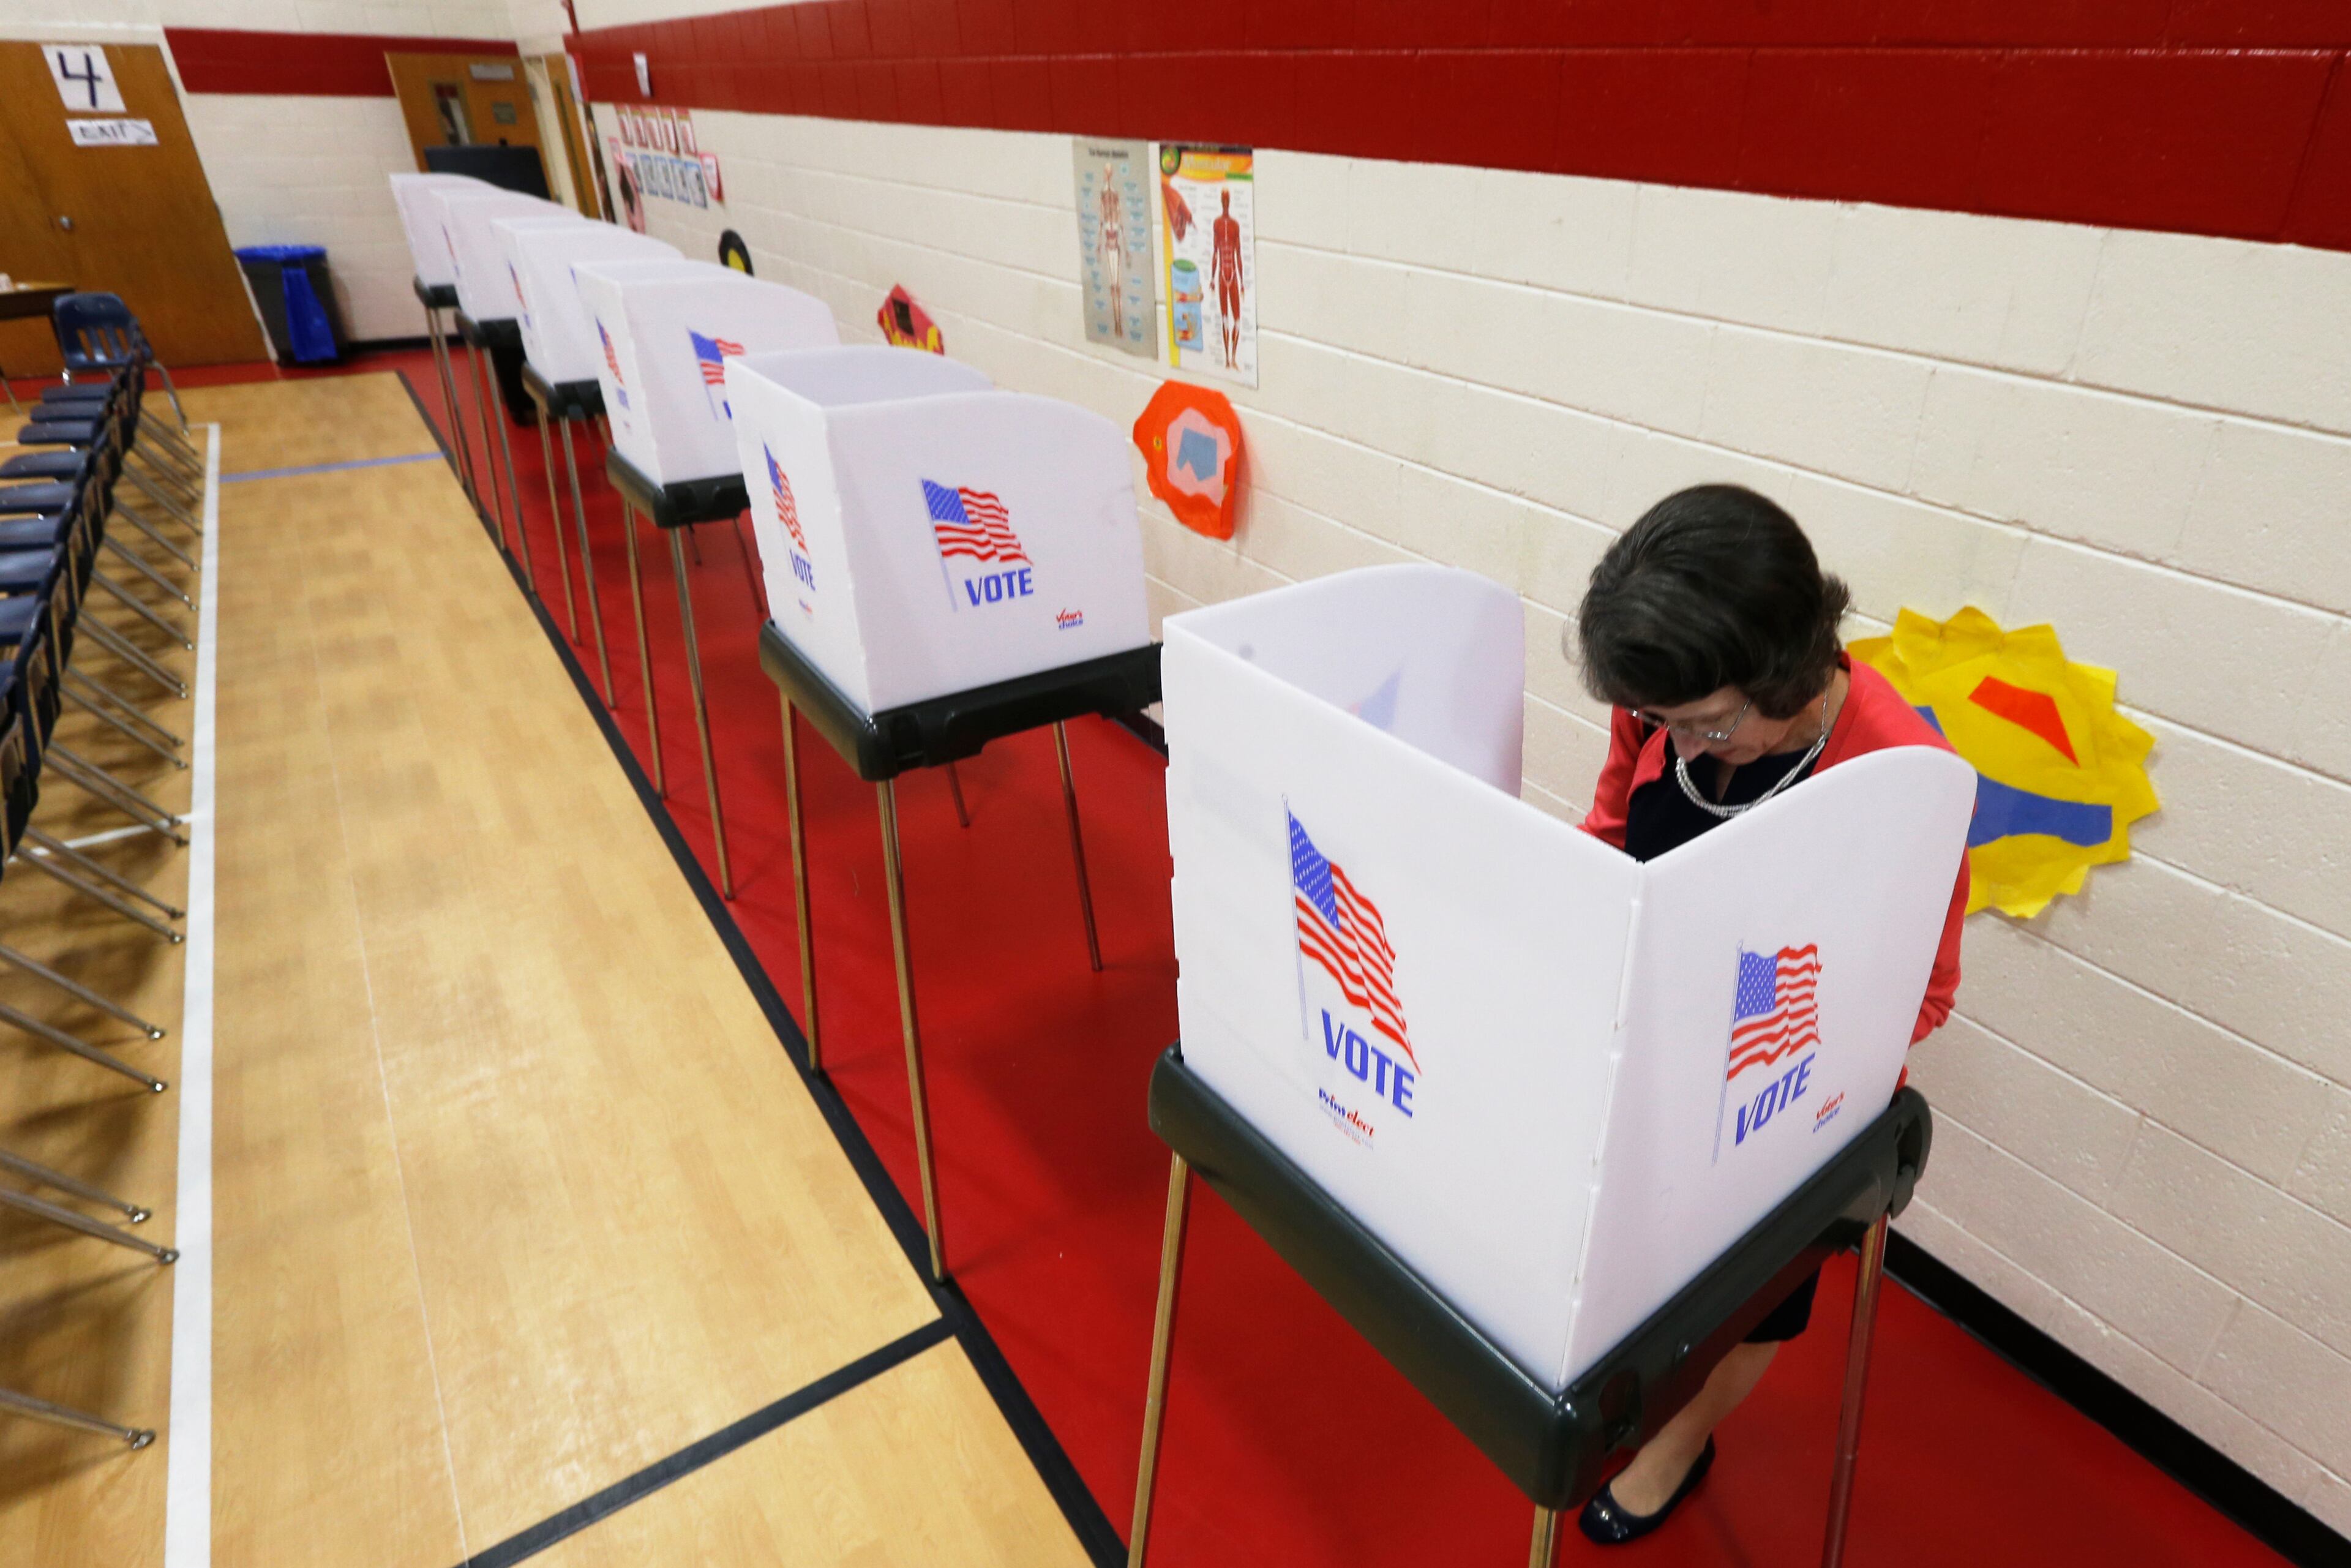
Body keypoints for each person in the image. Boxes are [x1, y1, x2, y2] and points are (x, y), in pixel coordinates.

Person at [1569, 484, 1968, 1545]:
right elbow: (1611, 829)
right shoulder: (1665, 692)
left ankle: (1679, 1442)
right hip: (1651, 1051)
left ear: (1790, 670)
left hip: (1781, 1089)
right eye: (1663, 723)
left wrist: (1759, 1056)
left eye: (1708, 724)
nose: (1681, 746)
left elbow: (1923, 992)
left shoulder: (1901, 775)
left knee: (1756, 1290)